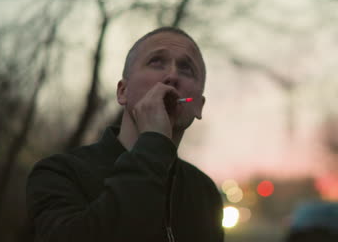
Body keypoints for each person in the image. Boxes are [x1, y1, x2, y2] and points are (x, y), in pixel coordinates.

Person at [26, 27, 224, 242]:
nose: (172, 76)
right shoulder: (61, 173)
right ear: (122, 92)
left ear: (198, 106)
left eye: (186, 70)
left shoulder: (204, 192)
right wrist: (153, 143)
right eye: (156, 62)